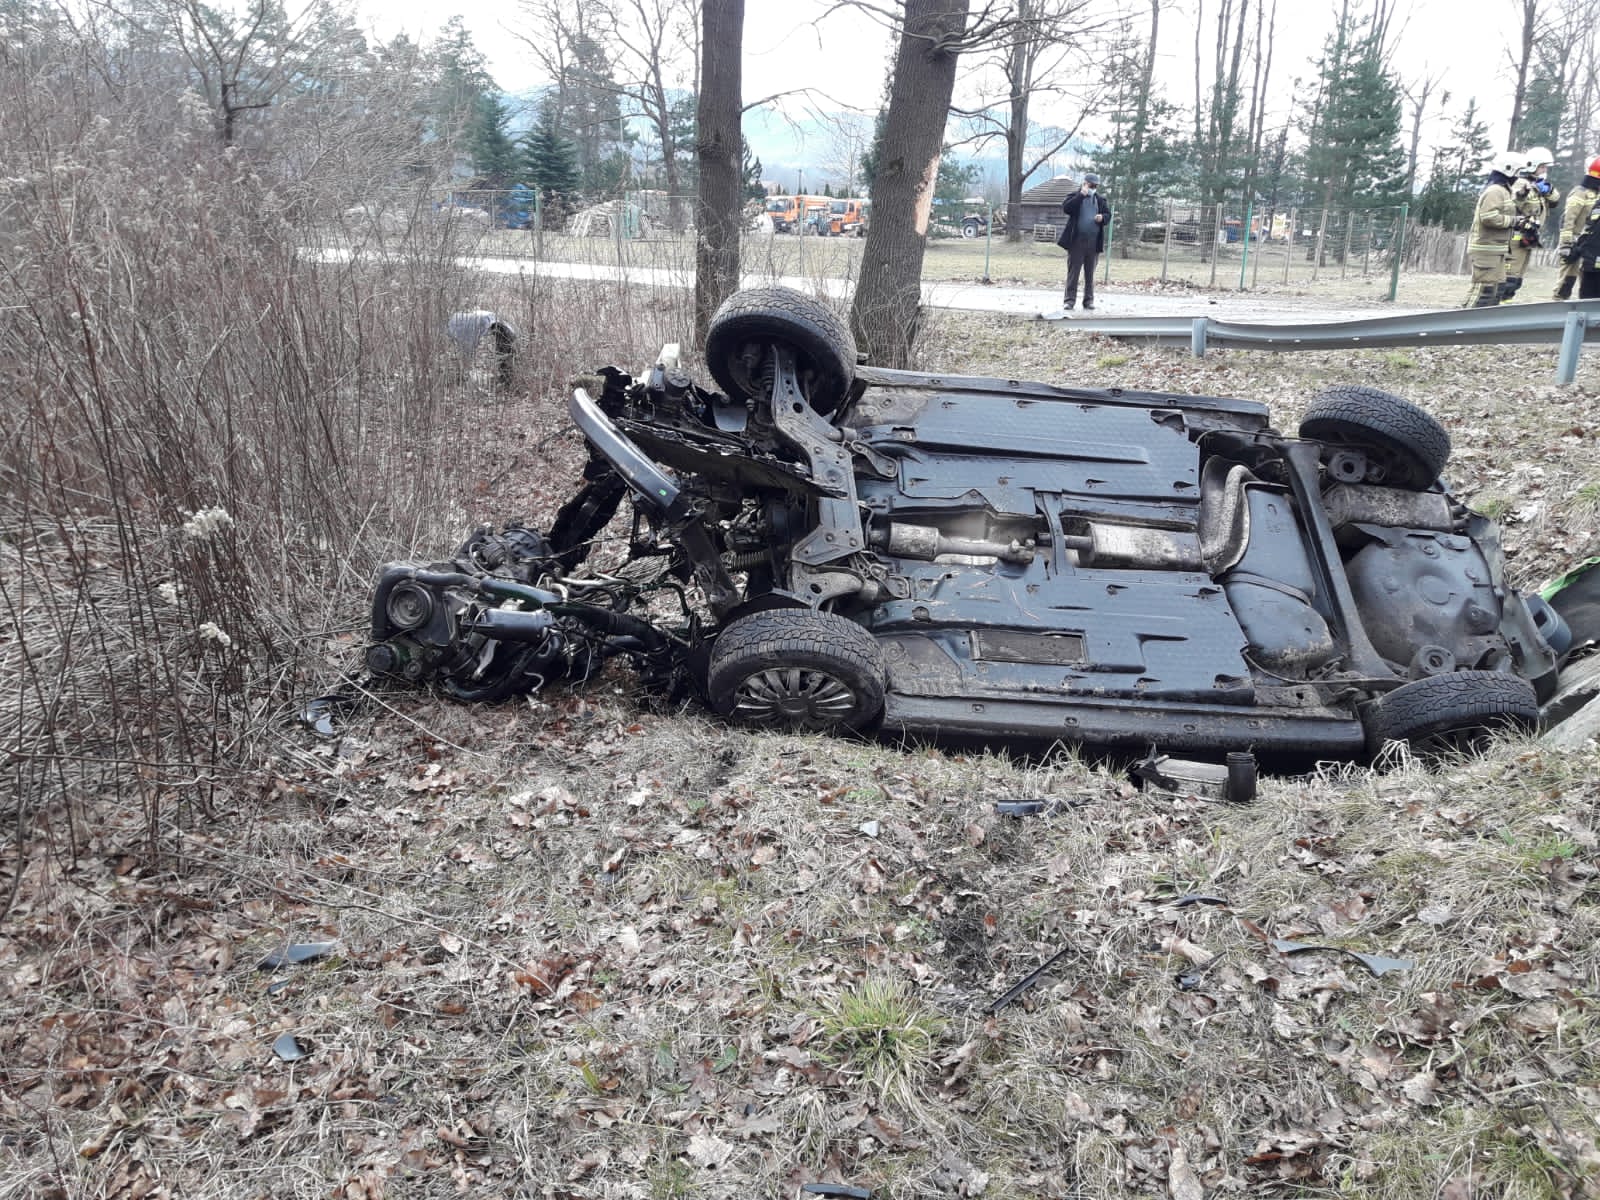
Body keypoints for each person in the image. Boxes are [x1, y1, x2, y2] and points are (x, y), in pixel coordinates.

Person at [1463, 151, 1521, 308]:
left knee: (1496, 290)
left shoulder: (1504, 191)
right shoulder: (1495, 191)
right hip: (1486, 249)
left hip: (1497, 249)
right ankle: (1463, 320)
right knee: (1484, 290)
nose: (1518, 176)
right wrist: (1514, 221)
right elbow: (1488, 217)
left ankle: (1483, 322)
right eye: (1517, 171)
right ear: (1509, 169)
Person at [1502, 147, 1560, 301]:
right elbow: (1512, 203)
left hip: (1528, 236)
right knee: (1509, 277)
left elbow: (1555, 201)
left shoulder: (1540, 185)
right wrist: (1523, 193)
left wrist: (1548, 189)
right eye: (1542, 167)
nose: (1545, 170)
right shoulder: (1520, 183)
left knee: (1517, 278)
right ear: (1532, 165)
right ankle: (1498, 307)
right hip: (1516, 236)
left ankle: (1506, 304)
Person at [1056, 173, 1111, 310]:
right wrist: (1081, 195)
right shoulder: (1074, 196)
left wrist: (1102, 217)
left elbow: (1108, 215)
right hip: (1076, 241)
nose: (1093, 188)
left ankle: (1088, 301)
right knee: (1073, 273)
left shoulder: (1100, 200)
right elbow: (1067, 208)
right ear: (1085, 184)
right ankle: (1069, 301)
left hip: (1093, 243)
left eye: (1095, 186)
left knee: (1090, 274)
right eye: (1091, 185)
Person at [1552, 156, 1600, 300]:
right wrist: (1566, 244)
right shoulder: (1580, 193)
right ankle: (1557, 306)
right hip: (1574, 243)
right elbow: (1568, 219)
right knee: (1566, 282)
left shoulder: (1596, 194)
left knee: (1587, 281)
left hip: (1589, 244)